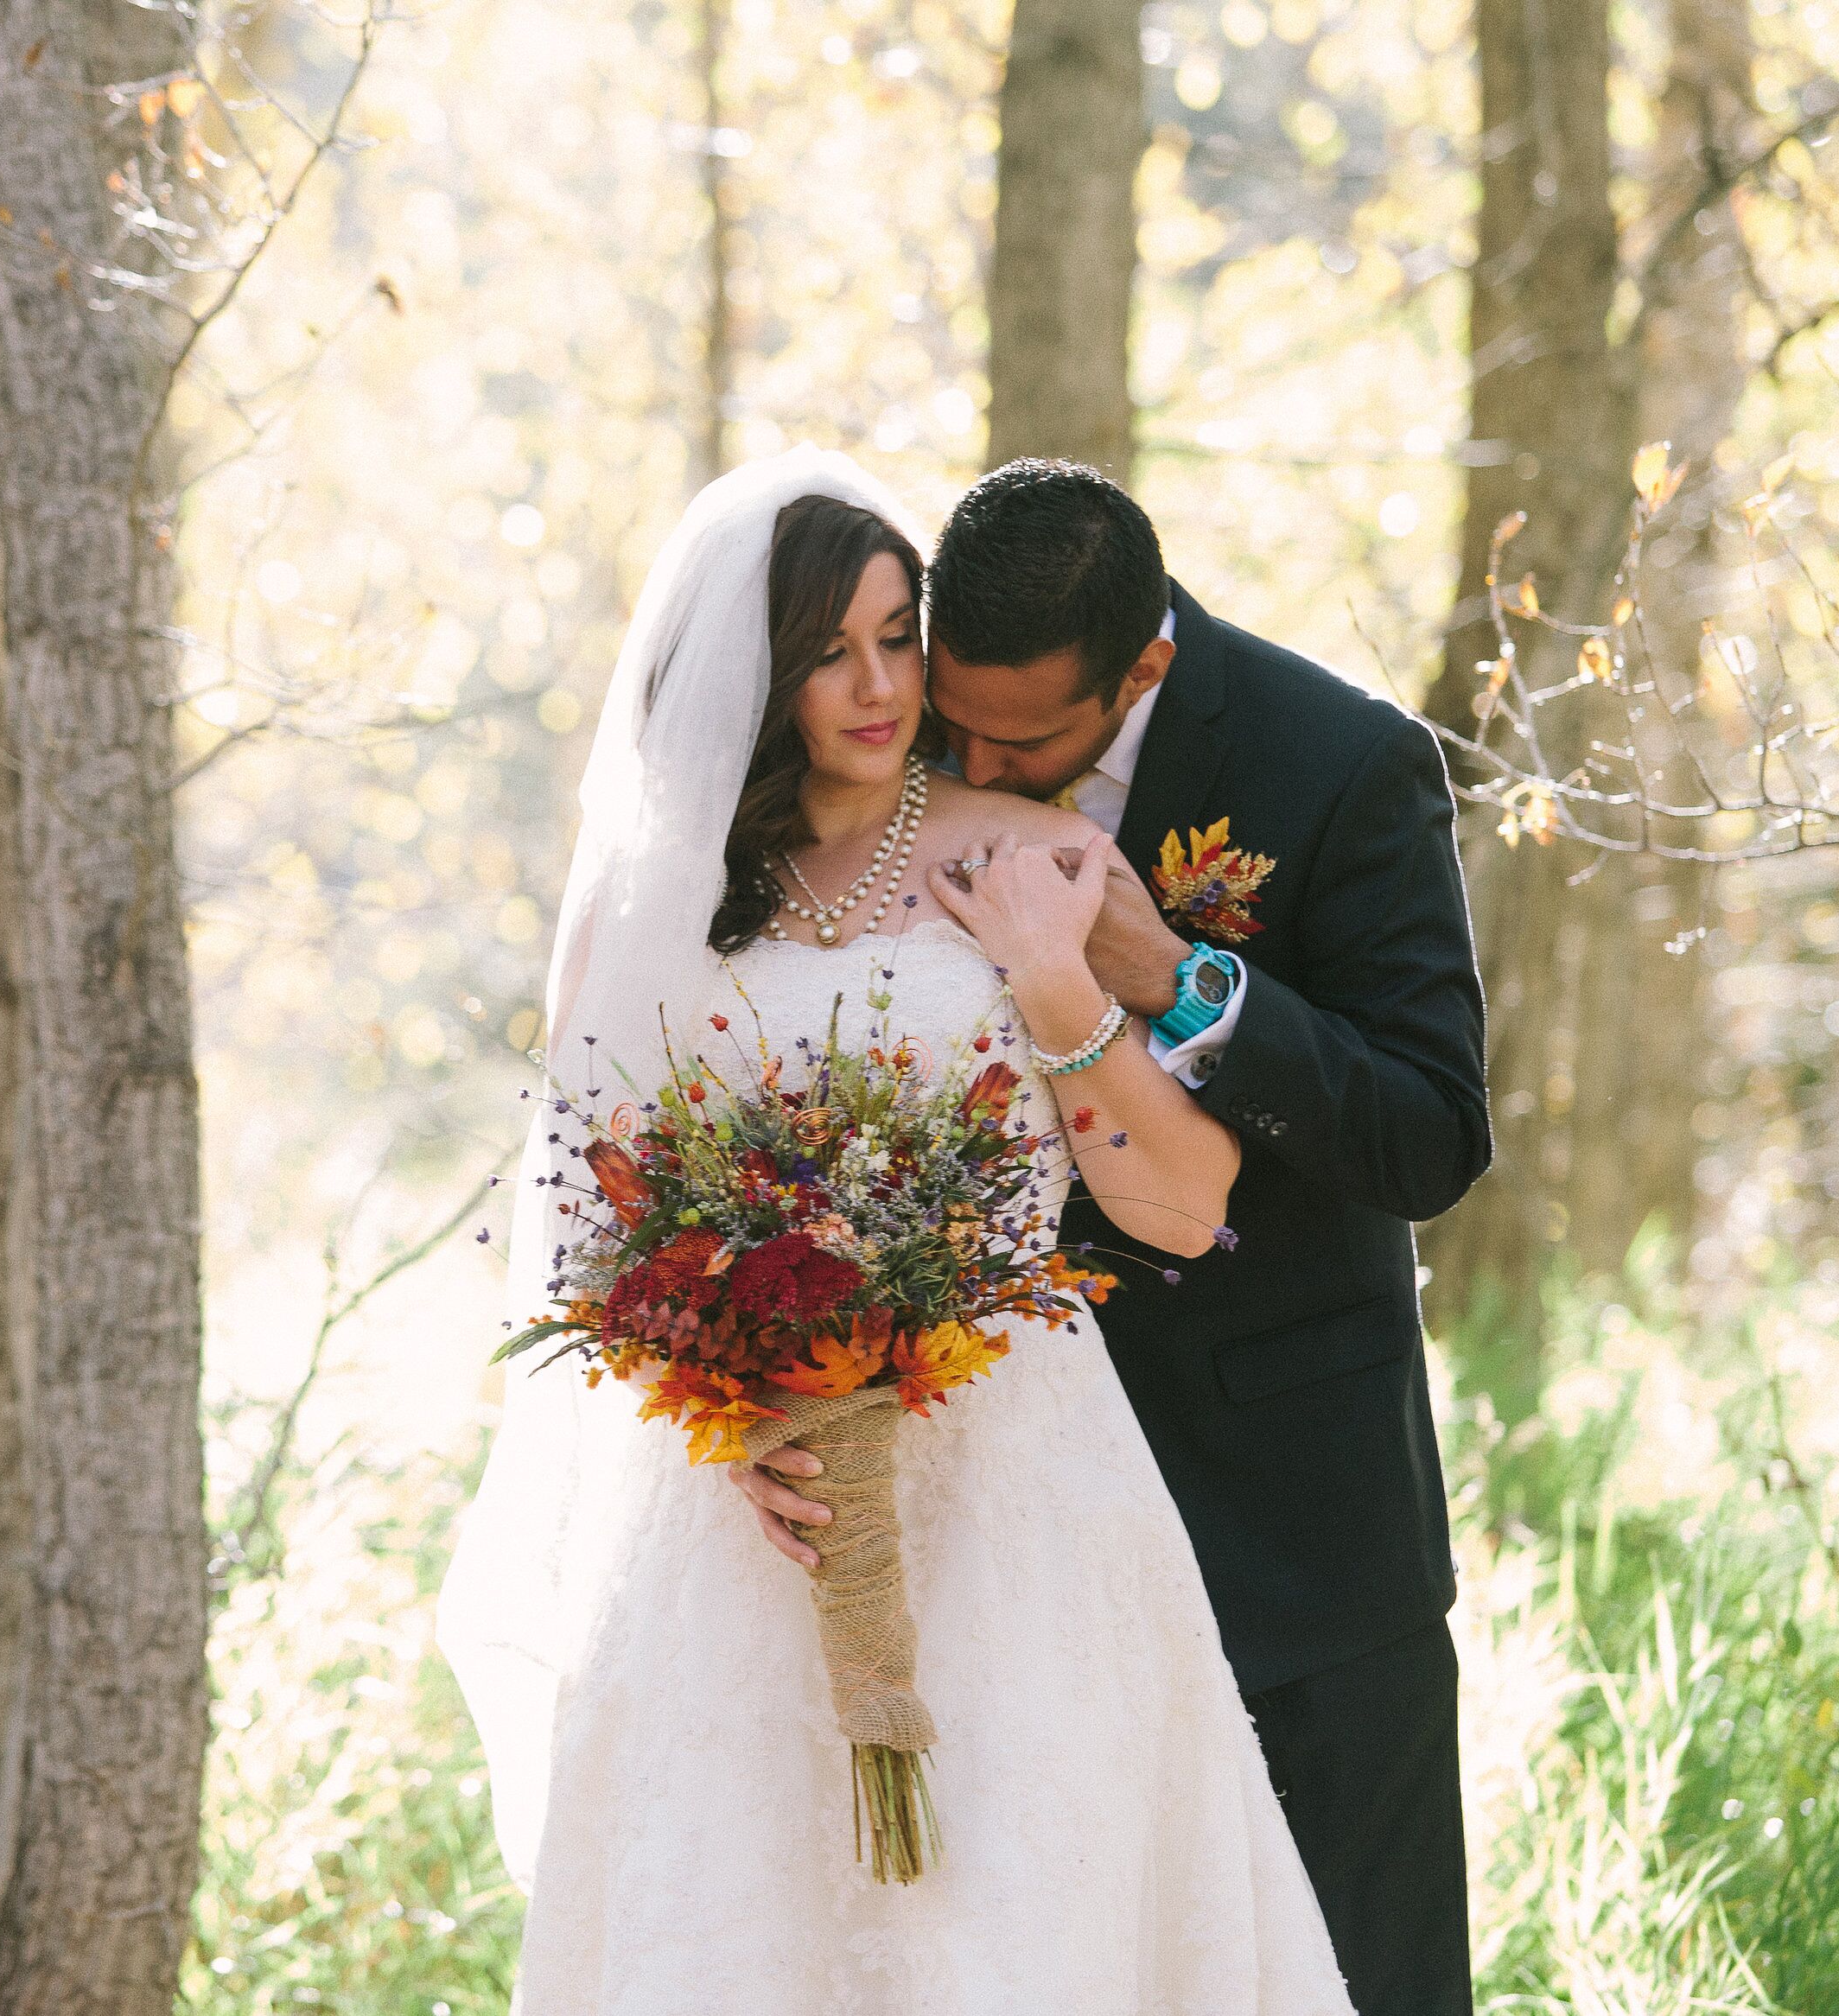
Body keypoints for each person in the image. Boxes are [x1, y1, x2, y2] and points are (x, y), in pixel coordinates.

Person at [442, 448, 1358, 2014]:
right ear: (754, 674)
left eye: (895, 632)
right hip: (749, 1515)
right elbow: (590, 1236)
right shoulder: (649, 911)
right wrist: (734, 1419)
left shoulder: (1038, 853)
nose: (877, 685)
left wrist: (1061, 983)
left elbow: (1188, 1203)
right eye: (827, 652)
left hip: (1019, 1492)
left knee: (1017, 1930)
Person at [737, 457, 1492, 2015]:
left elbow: (1428, 1133)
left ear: (1144, 665)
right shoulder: (890, 784)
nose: (969, 756)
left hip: (1289, 1516)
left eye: (1022, 741)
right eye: (954, 718)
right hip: (989, 1522)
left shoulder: (1340, 760)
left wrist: (1177, 975)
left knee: (1352, 1976)